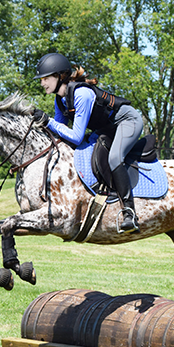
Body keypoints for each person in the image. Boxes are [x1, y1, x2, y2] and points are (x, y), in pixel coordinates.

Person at [32, 52, 144, 233]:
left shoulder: (81, 94)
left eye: (45, 78)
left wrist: (48, 121)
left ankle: (129, 212)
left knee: (115, 158)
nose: (42, 83)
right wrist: (42, 126)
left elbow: (75, 136)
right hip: (106, 129)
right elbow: (61, 132)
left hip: (126, 121)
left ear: (60, 76)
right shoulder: (60, 100)